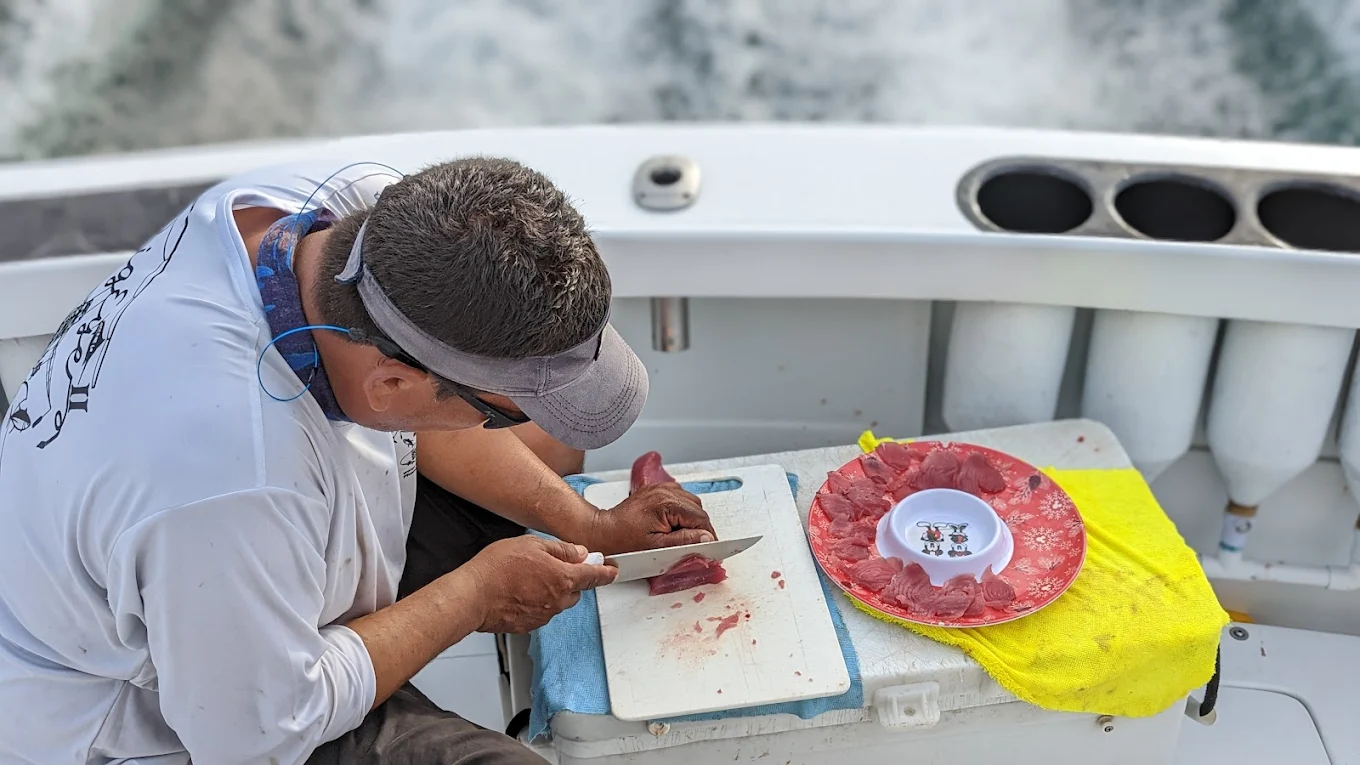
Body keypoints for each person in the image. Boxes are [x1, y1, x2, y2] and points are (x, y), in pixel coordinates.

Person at [0, 158, 715, 764]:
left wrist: (593, 522)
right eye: (503, 408)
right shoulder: (231, 483)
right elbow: (253, 735)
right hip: (160, 703)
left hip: (241, 554)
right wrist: (471, 598)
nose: (510, 422)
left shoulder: (352, 218)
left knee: (554, 447)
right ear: (393, 384)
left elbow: (426, 411)